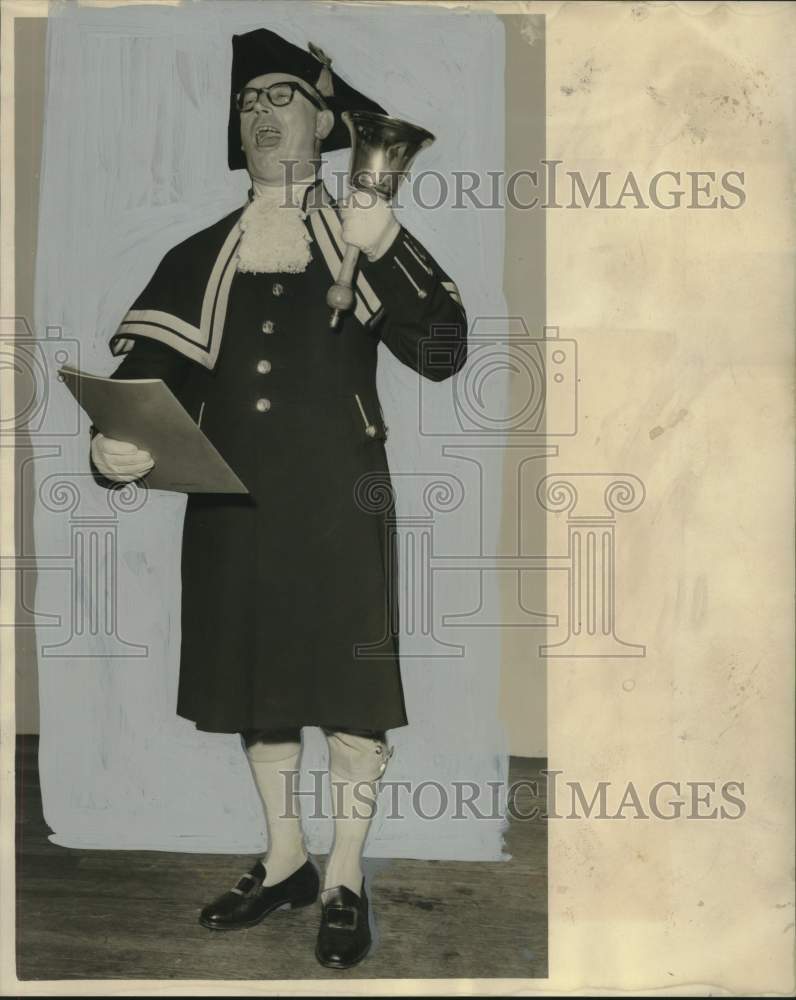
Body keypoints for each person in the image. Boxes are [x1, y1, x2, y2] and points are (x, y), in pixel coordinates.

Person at [90, 28, 467, 970]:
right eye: (249, 101)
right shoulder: (200, 251)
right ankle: (287, 855)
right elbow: (142, 373)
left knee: (346, 690)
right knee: (257, 688)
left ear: (326, 119)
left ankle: (344, 872)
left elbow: (441, 353)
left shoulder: (362, 234)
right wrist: (114, 444)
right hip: (231, 504)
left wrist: (384, 249)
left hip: (341, 501)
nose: (261, 113)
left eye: (282, 96)